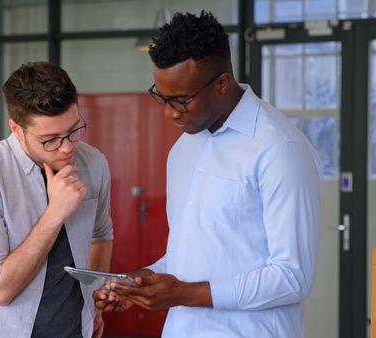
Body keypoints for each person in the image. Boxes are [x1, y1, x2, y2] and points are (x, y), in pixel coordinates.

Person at [95, 11, 323, 338]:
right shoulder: (184, 148)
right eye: (162, 97)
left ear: (222, 84)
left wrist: (183, 293)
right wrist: (144, 282)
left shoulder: (280, 150)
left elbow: (292, 277)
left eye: (181, 100)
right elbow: (191, 257)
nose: (170, 113)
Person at [0, 61, 113, 338]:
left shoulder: (93, 162)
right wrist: (55, 213)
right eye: (49, 139)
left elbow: (101, 234)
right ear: (16, 129)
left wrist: (94, 299)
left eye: (74, 130)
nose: (67, 147)